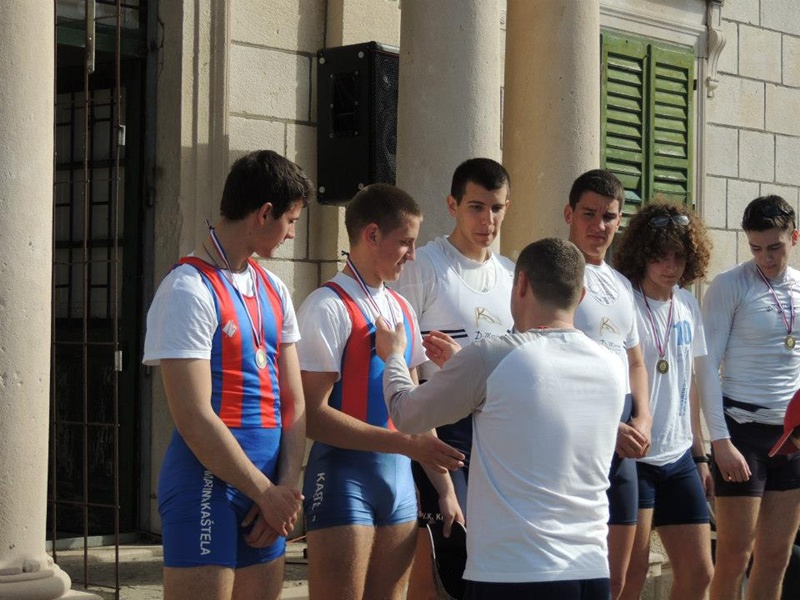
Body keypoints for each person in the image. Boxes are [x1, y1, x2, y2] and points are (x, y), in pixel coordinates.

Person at [375, 237, 625, 600]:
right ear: (581, 295)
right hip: (591, 570)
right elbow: (536, 402)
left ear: (520, 284)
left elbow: (407, 413)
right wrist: (464, 368)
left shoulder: (491, 358)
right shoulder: (611, 367)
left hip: (513, 573)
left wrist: (395, 356)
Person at [142, 150, 313, 600]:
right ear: (264, 213)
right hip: (207, 487)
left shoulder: (274, 288)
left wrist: (284, 488)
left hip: (269, 490)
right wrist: (265, 492)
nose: (292, 233)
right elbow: (193, 416)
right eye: (291, 221)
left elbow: (294, 402)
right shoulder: (187, 289)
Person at [296, 183, 465, 600]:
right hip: (343, 480)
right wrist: (405, 445)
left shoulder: (402, 308)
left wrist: (445, 489)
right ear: (371, 235)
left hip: (399, 483)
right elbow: (311, 416)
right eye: (405, 242)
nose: (413, 255)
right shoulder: (326, 306)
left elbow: (415, 409)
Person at [393, 157, 514, 599]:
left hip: (495, 435)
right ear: (452, 205)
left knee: (487, 567)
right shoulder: (424, 265)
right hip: (440, 434)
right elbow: (405, 368)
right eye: (476, 207)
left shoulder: (511, 275)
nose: (488, 220)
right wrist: (434, 470)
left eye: (497, 208)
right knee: (442, 564)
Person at [697, 195, 800, 600]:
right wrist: (720, 442)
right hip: (742, 432)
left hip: (791, 436)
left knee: (775, 557)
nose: (766, 258)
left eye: (774, 247)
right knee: (734, 556)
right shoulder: (729, 286)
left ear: (794, 237)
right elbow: (706, 367)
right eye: (756, 248)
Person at [613, 201, 714, 600]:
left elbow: (689, 381)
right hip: (635, 458)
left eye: (678, 257)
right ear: (643, 253)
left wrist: (700, 455)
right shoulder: (624, 301)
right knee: (630, 577)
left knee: (699, 573)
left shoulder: (687, 304)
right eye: (660, 256)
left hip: (678, 457)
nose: (670, 266)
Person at [563, 168, 652, 599]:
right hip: (575, 439)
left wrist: (644, 418)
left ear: (620, 221)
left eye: (609, 216)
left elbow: (636, 361)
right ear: (569, 214)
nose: (599, 226)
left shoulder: (621, 284)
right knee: (570, 576)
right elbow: (548, 365)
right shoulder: (554, 273)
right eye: (589, 214)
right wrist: (604, 427)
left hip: (623, 441)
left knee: (615, 581)